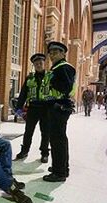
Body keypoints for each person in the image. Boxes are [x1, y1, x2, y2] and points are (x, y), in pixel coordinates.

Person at [43, 41, 76, 182]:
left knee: (57, 140)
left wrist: (51, 82)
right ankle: (62, 167)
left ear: (63, 53)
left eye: (55, 52)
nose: (52, 55)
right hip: (57, 106)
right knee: (59, 139)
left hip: (59, 107)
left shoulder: (63, 67)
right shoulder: (57, 67)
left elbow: (66, 87)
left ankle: (59, 172)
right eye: (50, 53)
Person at [15, 53, 50, 163]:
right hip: (33, 108)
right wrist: (18, 107)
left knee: (45, 132)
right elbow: (23, 94)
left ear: (44, 63)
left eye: (40, 63)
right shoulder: (30, 78)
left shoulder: (50, 77)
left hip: (46, 108)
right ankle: (24, 150)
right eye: (36, 64)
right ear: (34, 65)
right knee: (28, 131)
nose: (38, 65)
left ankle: (44, 153)